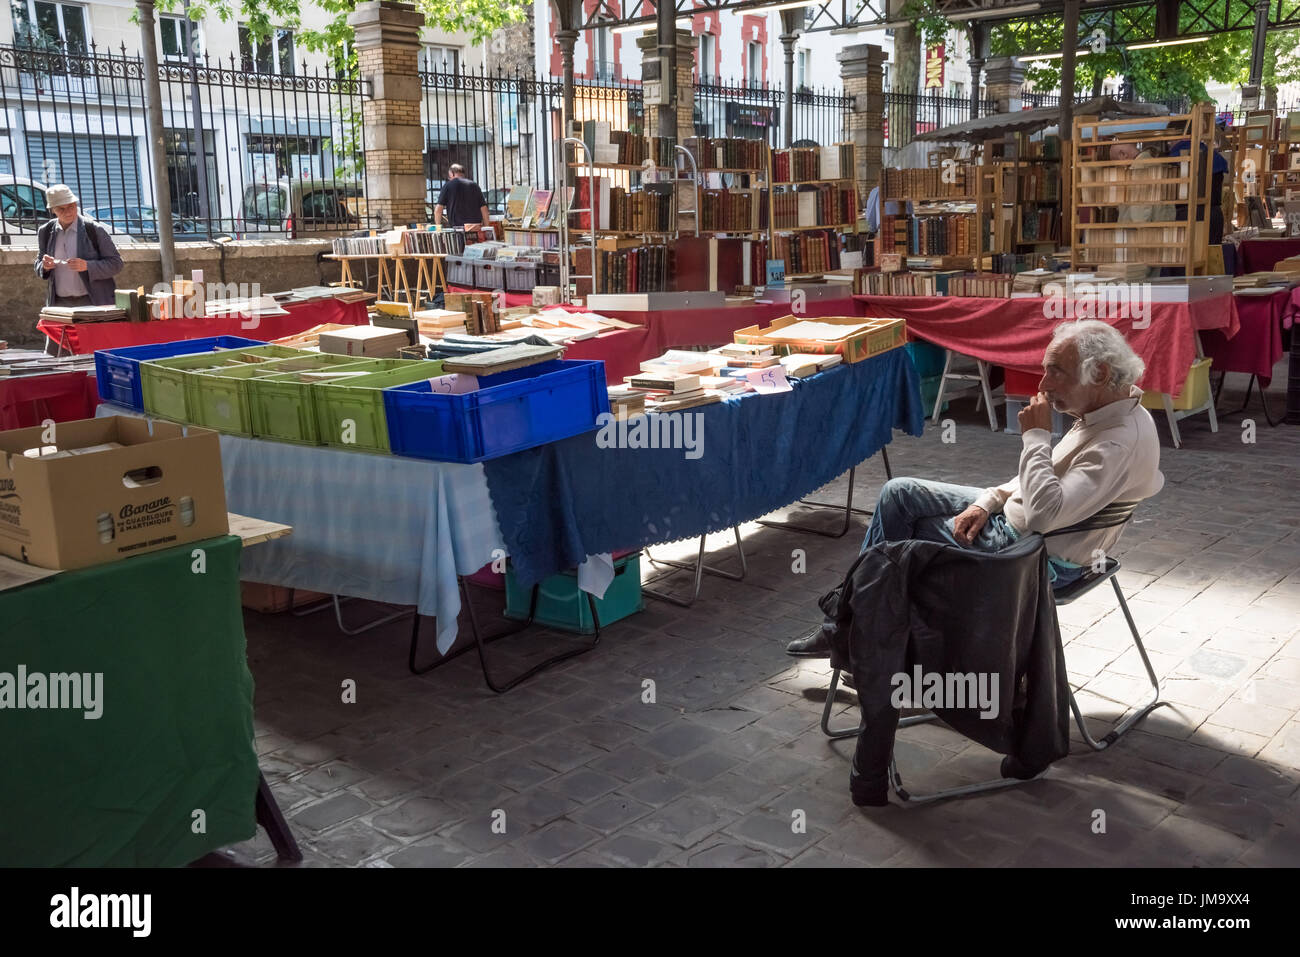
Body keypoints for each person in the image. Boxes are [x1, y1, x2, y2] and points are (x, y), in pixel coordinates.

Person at [787, 319, 1165, 657]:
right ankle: (861, 629)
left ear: (1098, 373)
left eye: (1056, 373)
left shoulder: (1116, 442)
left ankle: (853, 632)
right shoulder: (1112, 410)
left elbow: (1044, 514)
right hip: (1019, 523)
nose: (1044, 385)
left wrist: (1035, 437)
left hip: (1031, 555)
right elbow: (1046, 480)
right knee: (899, 493)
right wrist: (988, 501)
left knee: (896, 543)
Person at [33, 184, 123, 307]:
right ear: (52, 210)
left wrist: (87, 266)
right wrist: (44, 267)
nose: (68, 212)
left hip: (94, 301)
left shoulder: (94, 230)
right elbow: (38, 264)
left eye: (71, 206)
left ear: (76, 204)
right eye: (61, 209)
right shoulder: (45, 231)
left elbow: (116, 264)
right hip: (59, 303)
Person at [433, 164, 489, 230]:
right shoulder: (474, 185)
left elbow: (438, 210)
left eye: (449, 176)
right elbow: (484, 209)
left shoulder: (448, 186)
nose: (449, 178)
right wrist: (486, 228)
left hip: (457, 228)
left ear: (452, 174)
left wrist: (438, 228)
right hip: (475, 227)